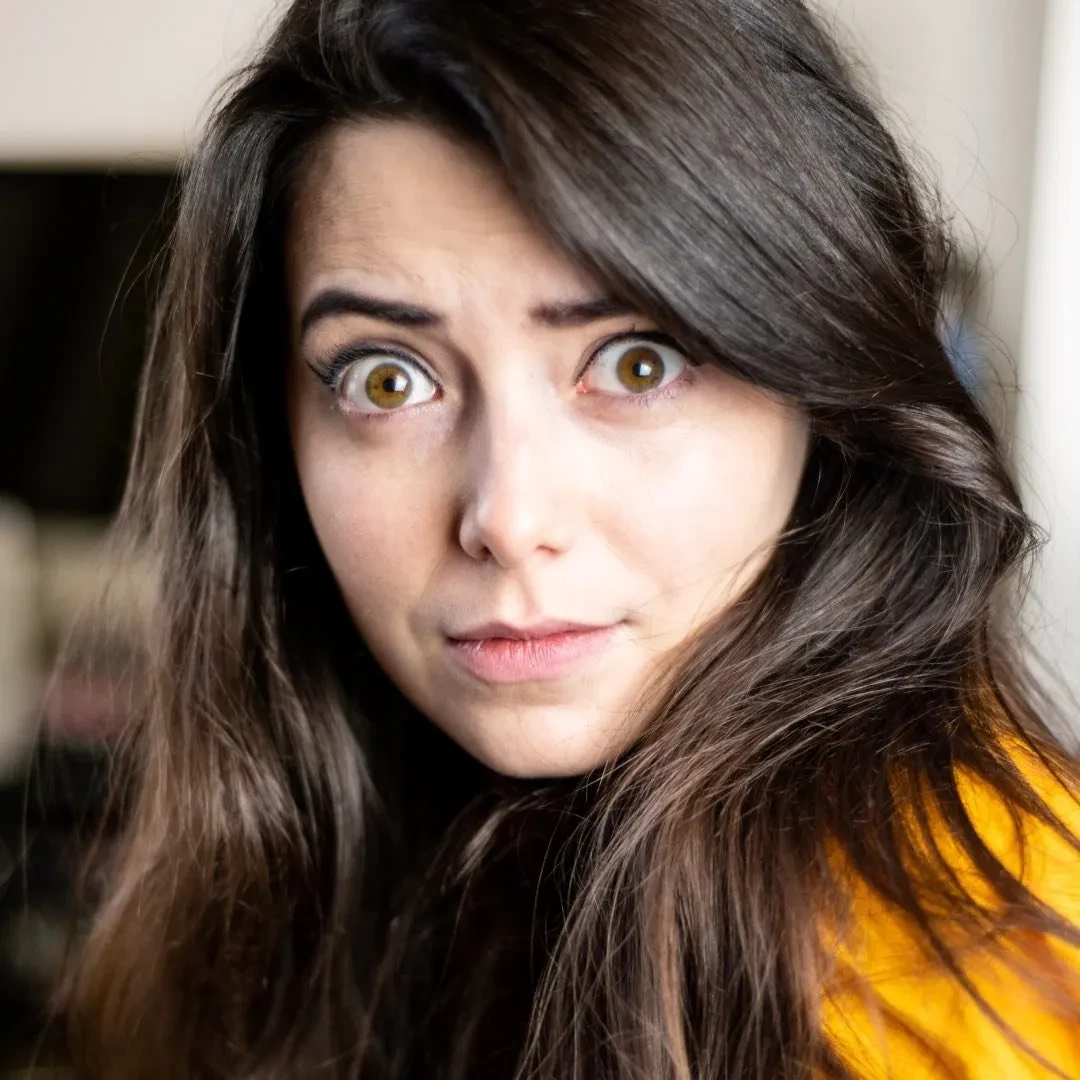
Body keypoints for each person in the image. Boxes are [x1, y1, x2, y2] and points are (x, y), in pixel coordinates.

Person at [59, 0, 1080, 1077]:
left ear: (819, 382)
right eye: (386, 379)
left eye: (638, 362)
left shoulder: (999, 983)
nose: (507, 517)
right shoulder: (308, 894)